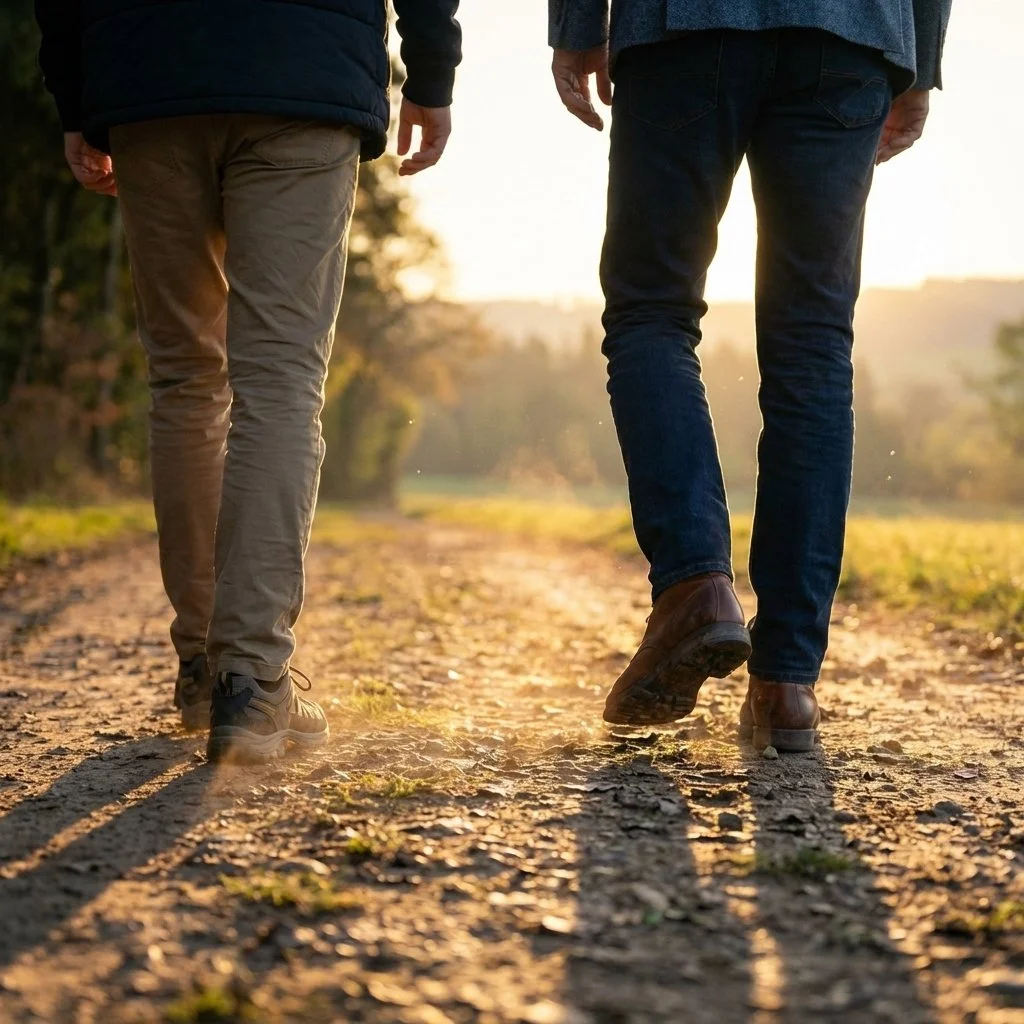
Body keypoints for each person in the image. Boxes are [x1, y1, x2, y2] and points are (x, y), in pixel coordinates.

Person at [34, 0, 461, 763]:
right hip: (304, 64)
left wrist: (77, 94)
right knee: (282, 376)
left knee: (185, 377)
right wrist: (432, 69)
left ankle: (203, 667)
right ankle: (253, 676)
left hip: (148, 68)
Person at [549, 0, 952, 750]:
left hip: (686, 29)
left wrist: (577, 26)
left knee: (652, 311)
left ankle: (696, 586)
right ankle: (787, 684)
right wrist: (919, 57)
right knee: (813, 346)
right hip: (854, 34)